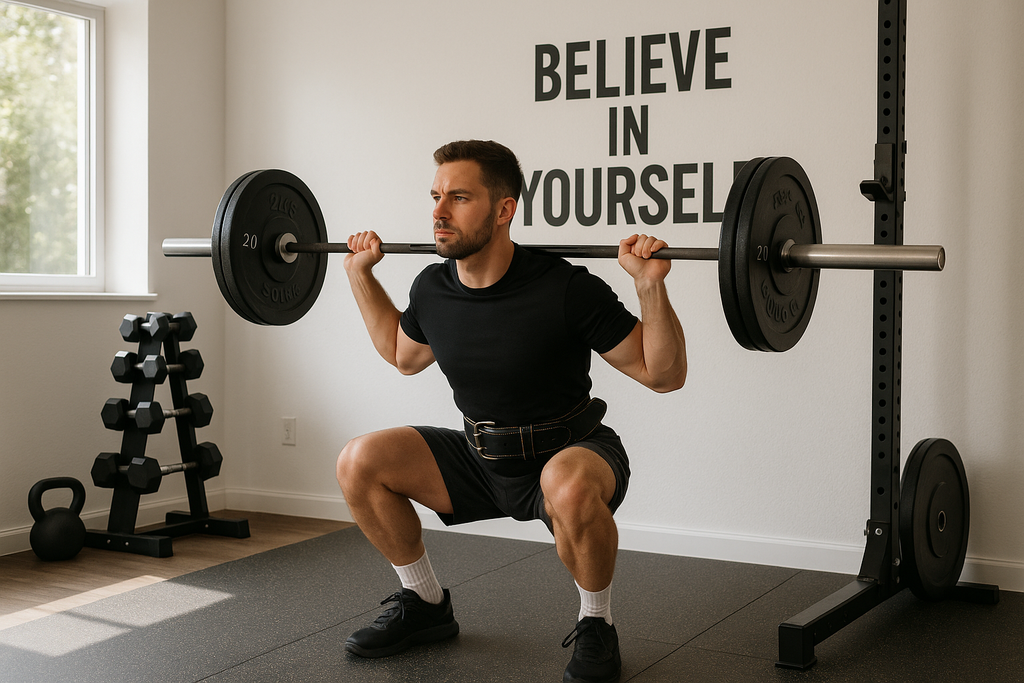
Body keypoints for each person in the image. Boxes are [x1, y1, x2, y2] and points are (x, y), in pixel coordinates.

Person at [337, 139, 686, 683]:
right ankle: (424, 603)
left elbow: (662, 374)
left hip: (570, 451)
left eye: (458, 198)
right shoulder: (432, 288)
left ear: (504, 210)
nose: (439, 212)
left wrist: (649, 286)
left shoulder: (565, 287)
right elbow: (403, 356)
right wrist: (360, 275)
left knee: (566, 484)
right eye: (435, 197)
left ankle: (597, 624)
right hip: (481, 459)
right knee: (359, 460)